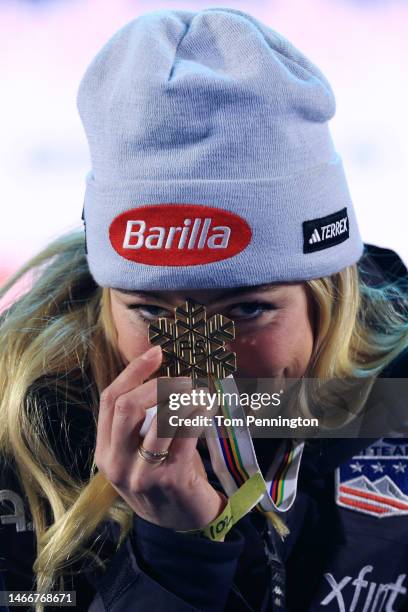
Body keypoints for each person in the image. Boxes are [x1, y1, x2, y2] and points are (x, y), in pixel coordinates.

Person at [0, 7, 407, 612]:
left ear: (330, 295)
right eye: (151, 313)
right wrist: (177, 558)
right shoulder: (23, 424)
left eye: (245, 309)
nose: (198, 360)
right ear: (108, 298)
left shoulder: (395, 399)